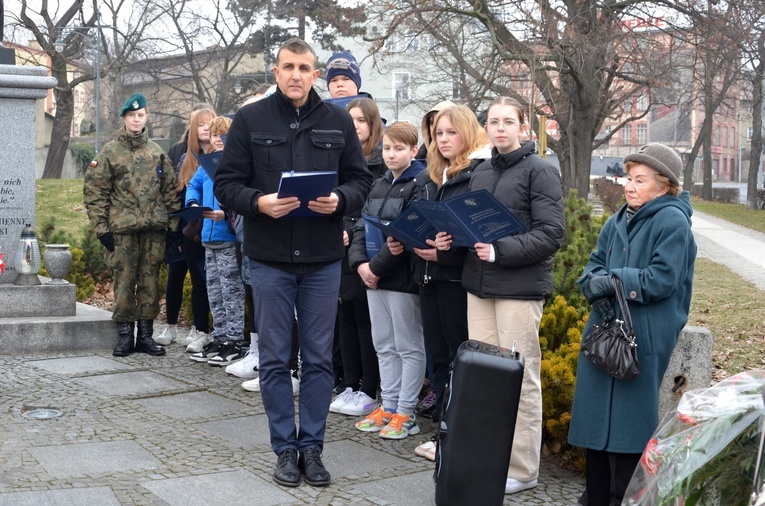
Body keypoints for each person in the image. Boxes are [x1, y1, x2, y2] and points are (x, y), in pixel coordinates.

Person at [214, 38, 372, 488]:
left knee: (320, 359)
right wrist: (259, 203)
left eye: (305, 67)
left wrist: (340, 199)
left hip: (323, 258)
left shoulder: (337, 121)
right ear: (276, 72)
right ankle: (285, 448)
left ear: (315, 73)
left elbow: (361, 181)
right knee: (276, 358)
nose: (297, 75)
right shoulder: (250, 119)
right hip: (270, 258)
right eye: (289, 67)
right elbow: (227, 184)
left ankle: (313, 448)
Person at [568, 143, 696, 506]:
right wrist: (591, 279)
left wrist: (613, 280)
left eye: (640, 180)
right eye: (629, 177)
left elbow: (662, 279)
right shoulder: (618, 218)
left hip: (644, 335)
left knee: (628, 426)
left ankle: (622, 497)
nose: (630, 185)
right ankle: (594, 495)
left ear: (664, 185)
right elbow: (594, 262)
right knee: (594, 421)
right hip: (606, 331)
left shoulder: (672, 220)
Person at [456, 97, 565, 494]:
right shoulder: (480, 172)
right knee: (485, 377)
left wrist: (500, 251)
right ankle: (488, 458)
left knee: (521, 377)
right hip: (480, 286)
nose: (499, 128)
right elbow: (471, 221)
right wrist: (454, 236)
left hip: (519, 288)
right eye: (493, 122)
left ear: (523, 127)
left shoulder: (541, 170)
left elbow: (552, 233)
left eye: (508, 121)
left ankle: (522, 468)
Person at [399, 105, 490, 461]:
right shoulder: (433, 175)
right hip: (428, 277)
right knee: (437, 358)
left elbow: (478, 233)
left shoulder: (477, 172)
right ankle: (443, 429)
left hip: (455, 279)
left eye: (452, 132)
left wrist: (444, 255)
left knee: (458, 357)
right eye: (438, 133)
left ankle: (457, 435)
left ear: (468, 132)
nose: (444, 139)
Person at [84, 92, 180, 357]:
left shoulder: (156, 152)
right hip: (122, 231)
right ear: (124, 118)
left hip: (153, 230)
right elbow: (95, 193)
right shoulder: (109, 153)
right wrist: (101, 229)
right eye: (131, 116)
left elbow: (171, 190)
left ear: (146, 117)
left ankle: (146, 337)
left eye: (140, 115)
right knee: (124, 283)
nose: (136, 120)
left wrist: (173, 226)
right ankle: (125, 335)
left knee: (150, 283)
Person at [348, 122, 427, 439]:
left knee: (408, 346)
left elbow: (400, 242)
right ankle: (388, 404)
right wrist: (360, 265)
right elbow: (359, 229)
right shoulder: (378, 184)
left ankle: (406, 412)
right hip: (372, 279)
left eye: (399, 148)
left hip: (401, 281)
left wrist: (375, 269)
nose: (391, 154)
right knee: (383, 345)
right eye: (387, 148)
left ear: (413, 150)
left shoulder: (419, 185)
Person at [329, 97, 385, 418]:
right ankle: (350, 384)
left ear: (372, 123)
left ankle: (369, 388)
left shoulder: (379, 161)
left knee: (365, 323)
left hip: (366, 250)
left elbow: (372, 205)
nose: (355, 126)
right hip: (340, 247)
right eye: (350, 120)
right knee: (344, 320)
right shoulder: (341, 158)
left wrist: (350, 228)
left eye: (361, 120)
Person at [185, 115, 247, 367]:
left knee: (232, 292)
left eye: (223, 136)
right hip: (208, 240)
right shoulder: (207, 163)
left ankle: (234, 340)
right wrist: (193, 203)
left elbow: (240, 196)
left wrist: (226, 214)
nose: (218, 140)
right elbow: (193, 185)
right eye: (214, 135)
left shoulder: (237, 162)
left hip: (228, 238)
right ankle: (220, 336)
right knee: (215, 292)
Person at [156, 105, 215, 348]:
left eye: (209, 124)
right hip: (185, 227)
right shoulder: (181, 154)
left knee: (204, 280)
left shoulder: (219, 151)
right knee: (176, 277)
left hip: (211, 227)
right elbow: (174, 194)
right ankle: (170, 327)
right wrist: (177, 233)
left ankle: (199, 329)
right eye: (200, 124)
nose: (205, 129)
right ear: (191, 127)